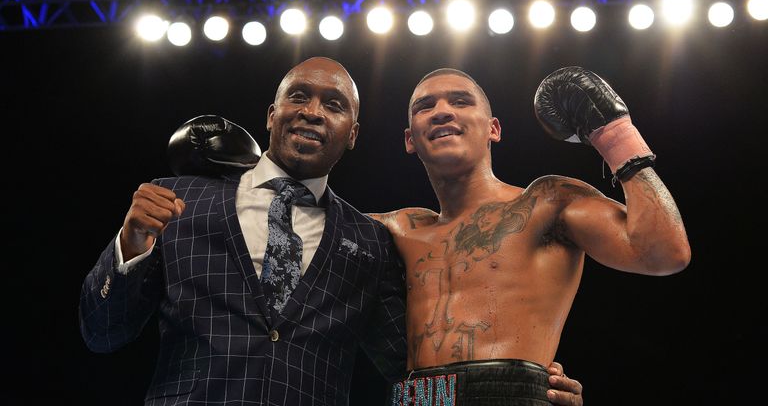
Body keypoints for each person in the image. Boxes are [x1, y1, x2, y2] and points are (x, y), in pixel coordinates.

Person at [78, 57, 584, 405]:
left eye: (334, 105)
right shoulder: (180, 201)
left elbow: (410, 373)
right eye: (298, 96)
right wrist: (130, 245)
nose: (313, 112)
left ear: (353, 134)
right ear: (272, 114)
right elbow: (101, 334)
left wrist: (521, 383)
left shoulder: (366, 242)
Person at [371, 67, 691, 405]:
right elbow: (313, 226)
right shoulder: (396, 229)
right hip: (417, 398)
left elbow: (664, 252)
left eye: (461, 101)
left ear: (493, 129)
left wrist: (616, 135)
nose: (442, 111)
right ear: (410, 139)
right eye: (425, 106)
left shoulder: (547, 202)